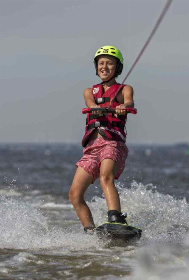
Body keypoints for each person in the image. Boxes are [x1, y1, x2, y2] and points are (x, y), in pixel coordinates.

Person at [68, 45, 135, 233]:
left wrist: (124, 106)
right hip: (91, 148)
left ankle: (116, 219)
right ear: (96, 67)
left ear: (117, 67)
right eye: (101, 63)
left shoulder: (124, 89)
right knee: (74, 194)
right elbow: (89, 103)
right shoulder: (89, 92)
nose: (104, 67)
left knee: (106, 177)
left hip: (112, 143)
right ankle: (90, 232)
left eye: (110, 63)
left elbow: (129, 101)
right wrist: (94, 108)